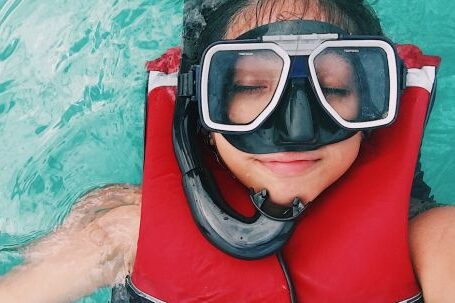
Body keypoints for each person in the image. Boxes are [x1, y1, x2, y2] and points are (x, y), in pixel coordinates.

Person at [0, 0, 453, 302]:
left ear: (375, 99)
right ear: (200, 103)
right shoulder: (127, 231)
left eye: (332, 87)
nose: (294, 128)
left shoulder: (434, 242)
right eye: (250, 87)